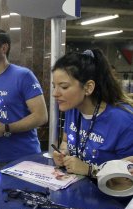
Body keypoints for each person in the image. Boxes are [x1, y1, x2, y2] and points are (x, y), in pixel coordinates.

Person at [0, 29, 48, 177]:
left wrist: (6, 128)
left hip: (25, 160)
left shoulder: (23, 76)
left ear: (3, 48)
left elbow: (41, 116)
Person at [52, 49, 133, 178]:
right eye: (54, 86)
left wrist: (90, 170)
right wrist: (63, 154)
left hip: (111, 196)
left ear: (88, 87)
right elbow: (66, 142)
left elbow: (128, 176)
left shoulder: (123, 120)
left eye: (64, 87)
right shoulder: (72, 108)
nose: (55, 93)